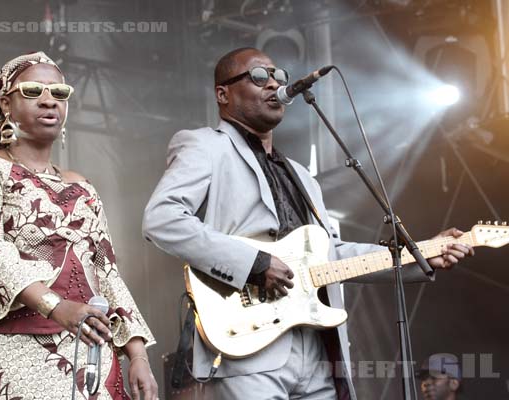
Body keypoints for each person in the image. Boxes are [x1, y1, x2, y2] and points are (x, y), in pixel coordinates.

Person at [142, 47, 474, 399]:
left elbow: (333, 254)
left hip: (316, 350)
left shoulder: (302, 176)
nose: (273, 83)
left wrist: (417, 255)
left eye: (277, 76)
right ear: (223, 94)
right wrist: (254, 263)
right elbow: (162, 219)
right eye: (258, 77)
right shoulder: (204, 146)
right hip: (248, 345)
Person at [0, 51, 158, 400]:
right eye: (33, 91)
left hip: (89, 345)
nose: (49, 101)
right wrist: (56, 306)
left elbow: (107, 272)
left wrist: (137, 354)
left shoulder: (82, 185)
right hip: (11, 342)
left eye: (60, 93)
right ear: (6, 104)